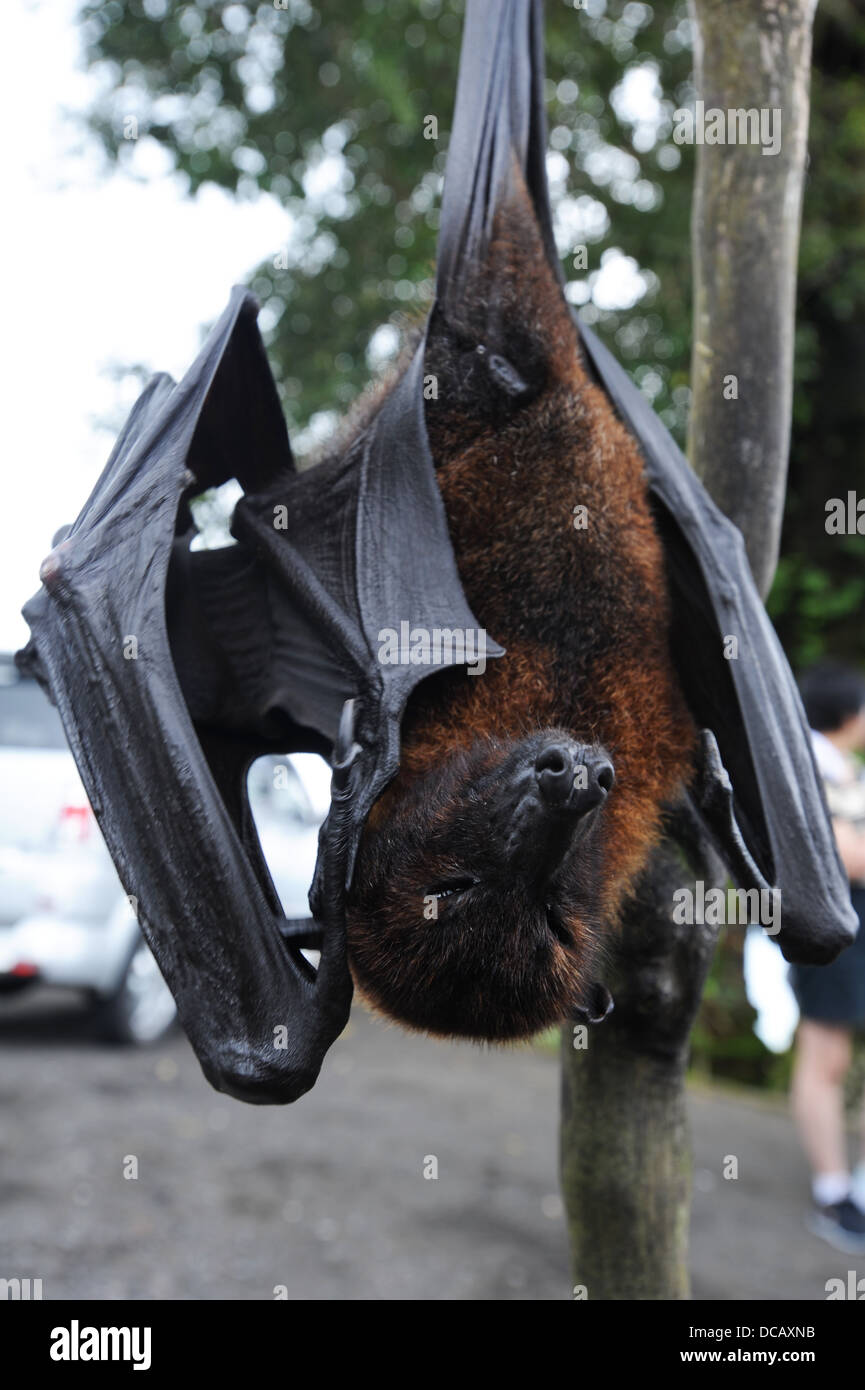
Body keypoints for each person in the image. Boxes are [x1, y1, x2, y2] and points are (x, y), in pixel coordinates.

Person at [790, 660, 865, 1252]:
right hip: (832, 931)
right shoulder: (808, 764)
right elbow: (847, 856)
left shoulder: (836, 767)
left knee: (833, 1058)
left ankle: (847, 1189)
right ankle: (834, 1194)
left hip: (849, 931)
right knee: (826, 1057)